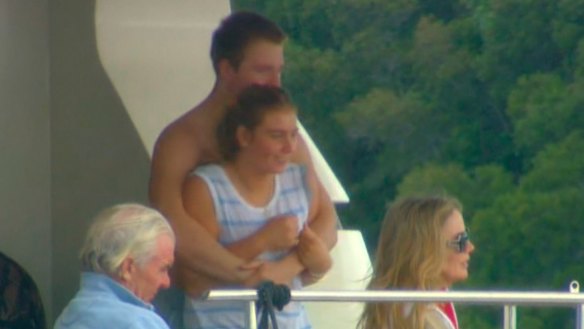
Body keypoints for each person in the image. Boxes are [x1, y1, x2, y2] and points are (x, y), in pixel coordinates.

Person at [149, 11, 337, 292]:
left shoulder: (285, 137)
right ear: (227, 70)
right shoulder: (181, 140)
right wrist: (248, 274)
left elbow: (326, 215)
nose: (276, 83)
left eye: (279, 71)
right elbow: (170, 224)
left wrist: (289, 267)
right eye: (263, 71)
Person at [182, 85, 332, 329]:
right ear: (244, 137)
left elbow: (305, 270)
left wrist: (307, 264)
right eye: (276, 136)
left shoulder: (300, 181)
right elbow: (193, 278)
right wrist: (262, 241)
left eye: (294, 135)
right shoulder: (205, 188)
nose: (289, 147)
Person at [358, 195, 475, 329]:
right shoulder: (423, 320)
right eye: (461, 240)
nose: (470, 247)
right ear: (428, 250)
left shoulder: (394, 309)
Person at [54, 204, 175, 329]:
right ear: (128, 268)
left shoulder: (68, 316)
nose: (167, 282)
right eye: (163, 269)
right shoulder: (141, 323)